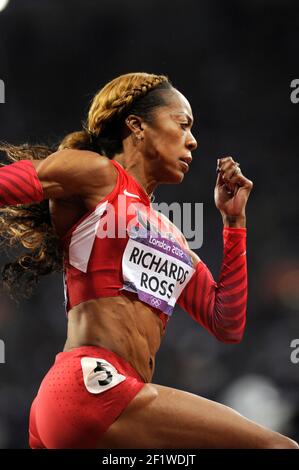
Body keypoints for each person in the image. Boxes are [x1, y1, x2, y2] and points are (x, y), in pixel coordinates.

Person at [0, 72, 297, 449]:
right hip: (92, 386)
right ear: (137, 126)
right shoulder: (98, 175)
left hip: (85, 404)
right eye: (182, 124)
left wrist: (233, 223)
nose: (193, 140)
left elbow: (227, 323)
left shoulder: (173, 238)